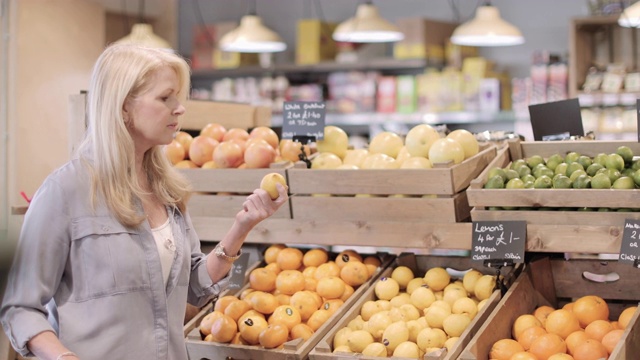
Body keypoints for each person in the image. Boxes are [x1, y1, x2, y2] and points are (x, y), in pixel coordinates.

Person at [0, 43, 288, 360]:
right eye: (165, 98)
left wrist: (242, 226)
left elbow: (194, 285)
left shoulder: (166, 188)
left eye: (178, 97)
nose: (179, 108)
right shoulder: (65, 192)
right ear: (123, 106)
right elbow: (19, 306)